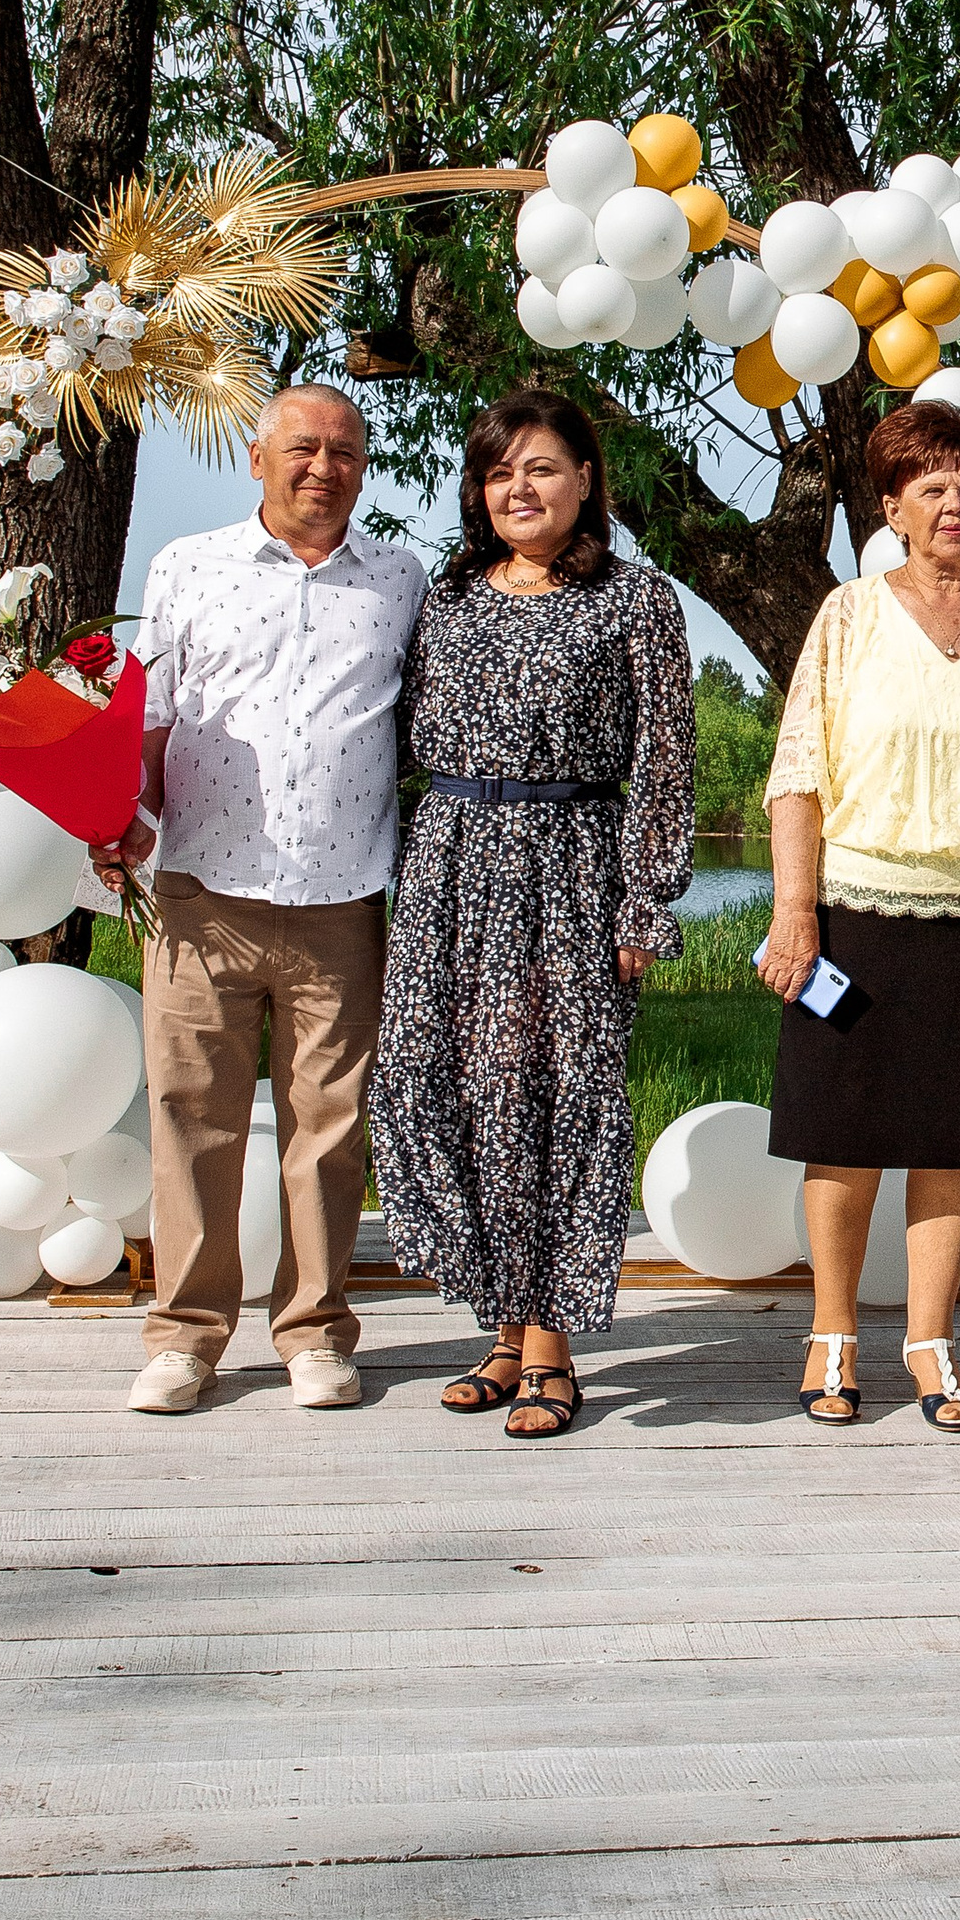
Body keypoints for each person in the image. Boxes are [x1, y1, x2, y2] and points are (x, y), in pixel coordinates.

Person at [91, 384, 427, 1416]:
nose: (323, 466)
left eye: (344, 451)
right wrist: (123, 812)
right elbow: (151, 715)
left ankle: (315, 1332)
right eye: (302, 447)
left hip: (342, 898)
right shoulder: (188, 565)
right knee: (193, 1119)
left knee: (329, 1127)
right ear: (256, 457)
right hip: (202, 891)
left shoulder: (402, 579)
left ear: (362, 467)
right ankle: (185, 1336)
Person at [369, 390, 695, 1443]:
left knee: (560, 1093)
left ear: (587, 479)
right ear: (478, 489)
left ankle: (553, 1342)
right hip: (451, 861)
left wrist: (646, 897)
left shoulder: (636, 600)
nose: (522, 487)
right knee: (457, 1086)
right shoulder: (450, 593)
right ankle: (503, 1325)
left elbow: (664, 761)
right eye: (501, 471)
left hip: (573, 862)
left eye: (544, 467)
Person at [759, 398, 960, 1430]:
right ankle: (832, 1334)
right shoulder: (847, 615)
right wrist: (792, 914)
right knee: (841, 1131)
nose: (953, 503)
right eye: (929, 486)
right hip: (855, 912)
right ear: (890, 506)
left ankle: (932, 1340)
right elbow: (797, 772)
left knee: (949, 1140)